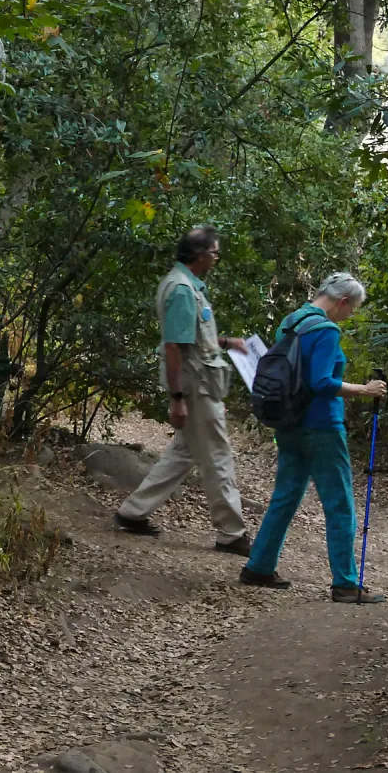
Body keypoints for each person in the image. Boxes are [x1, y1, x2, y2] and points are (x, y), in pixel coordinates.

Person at [241, 274, 388, 602]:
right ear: (342, 301)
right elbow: (322, 382)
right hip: (322, 427)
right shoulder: (325, 330)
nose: (348, 316)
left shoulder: (291, 322)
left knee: (286, 496)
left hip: (289, 423)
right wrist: (363, 390)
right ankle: (346, 584)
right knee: (339, 504)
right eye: (352, 310)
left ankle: (259, 566)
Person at [114, 226, 252, 555]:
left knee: (183, 453)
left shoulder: (187, 287)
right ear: (199, 255)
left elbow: (190, 337)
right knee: (218, 456)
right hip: (196, 388)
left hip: (197, 382)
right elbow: (174, 346)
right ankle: (232, 533)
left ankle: (132, 513)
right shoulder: (181, 290)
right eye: (215, 252)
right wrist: (177, 399)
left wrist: (224, 342)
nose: (217, 259)